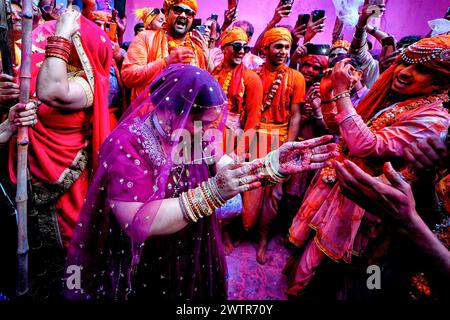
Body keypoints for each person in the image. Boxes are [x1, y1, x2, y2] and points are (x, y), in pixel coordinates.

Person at [65, 65, 338, 301]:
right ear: (173, 111)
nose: (210, 132)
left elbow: (224, 168)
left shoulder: (194, 133)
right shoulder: (128, 143)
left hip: (193, 243)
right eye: (204, 123)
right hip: (145, 257)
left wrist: (272, 165)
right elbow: (136, 221)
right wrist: (212, 192)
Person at [285, 34, 450, 298]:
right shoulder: (397, 100)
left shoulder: (435, 118)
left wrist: (341, 92)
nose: (405, 72)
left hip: (363, 207)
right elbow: (338, 128)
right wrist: (329, 94)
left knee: (338, 275)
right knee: (311, 254)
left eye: (421, 69)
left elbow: (365, 144)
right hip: (340, 187)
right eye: (405, 63)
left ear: (440, 81)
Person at [7, 8, 112, 300]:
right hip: (30, 177)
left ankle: (74, 293)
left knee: (70, 251)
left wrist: (62, 34)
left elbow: (51, 91)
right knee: (33, 252)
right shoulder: (48, 67)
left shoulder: (87, 84)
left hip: (67, 186)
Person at [242, 27, 306, 264]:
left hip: (280, 141)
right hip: (256, 137)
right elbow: (246, 113)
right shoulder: (254, 75)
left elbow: (296, 115)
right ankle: (243, 231)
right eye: (278, 46)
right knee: (249, 188)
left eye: (287, 47)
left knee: (274, 195)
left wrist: (288, 147)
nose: (283, 51)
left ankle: (263, 239)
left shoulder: (296, 77)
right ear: (265, 48)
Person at [121, 0, 210, 102]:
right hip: (148, 114)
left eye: (188, 13)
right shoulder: (145, 37)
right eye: (178, 10)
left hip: (183, 116)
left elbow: (201, 92)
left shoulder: (197, 50)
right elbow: (129, 76)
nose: (183, 15)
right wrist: (166, 62)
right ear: (167, 13)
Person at [211, 27, 263, 155]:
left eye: (245, 48)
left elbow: (253, 120)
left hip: (230, 140)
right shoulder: (214, 73)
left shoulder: (251, 78)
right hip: (207, 136)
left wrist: (237, 153)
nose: (241, 51)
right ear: (223, 48)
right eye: (237, 46)